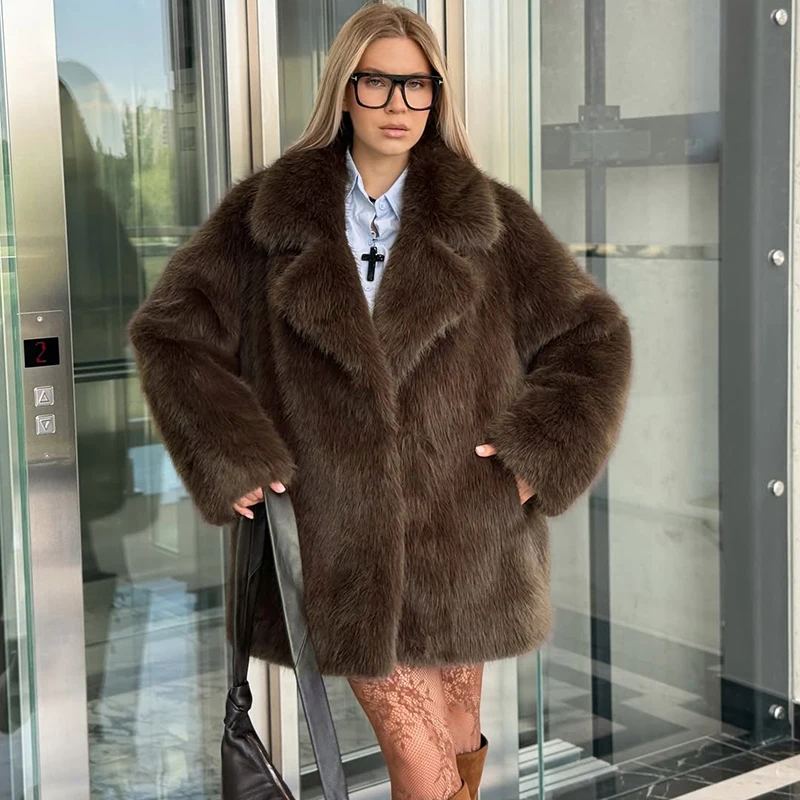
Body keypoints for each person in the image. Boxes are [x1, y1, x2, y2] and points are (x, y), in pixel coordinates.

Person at [127, 4, 632, 798]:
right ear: (344, 90)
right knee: (421, 764)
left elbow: (593, 337)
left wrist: (539, 457)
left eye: (417, 85)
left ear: (436, 96)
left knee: (458, 736)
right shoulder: (266, 217)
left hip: (467, 530)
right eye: (377, 82)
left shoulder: (489, 218)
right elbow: (170, 334)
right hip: (339, 539)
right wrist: (233, 455)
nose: (398, 104)